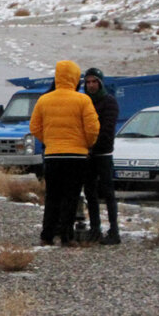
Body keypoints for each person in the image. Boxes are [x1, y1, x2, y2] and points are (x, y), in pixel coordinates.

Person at [29, 60, 99, 247]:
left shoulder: (44, 99)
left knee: (52, 196)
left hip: (53, 155)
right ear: (76, 78)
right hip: (76, 156)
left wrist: (50, 140)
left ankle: (47, 235)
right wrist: (86, 144)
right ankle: (67, 237)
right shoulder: (83, 99)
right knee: (71, 196)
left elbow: (34, 127)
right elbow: (93, 129)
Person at [81, 68, 120, 244]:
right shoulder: (83, 101)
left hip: (103, 153)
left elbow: (107, 129)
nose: (91, 85)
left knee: (107, 192)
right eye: (88, 82)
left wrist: (93, 145)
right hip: (87, 154)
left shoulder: (109, 101)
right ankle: (95, 228)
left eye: (94, 81)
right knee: (89, 192)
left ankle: (114, 229)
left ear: (100, 83)